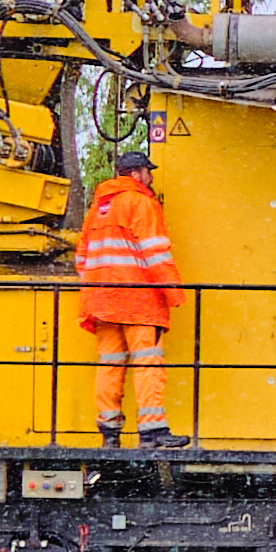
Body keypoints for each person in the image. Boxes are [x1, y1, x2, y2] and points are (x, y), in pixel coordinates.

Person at [73, 146, 183, 449]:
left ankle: (110, 434)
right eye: (148, 172)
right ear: (136, 174)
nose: (150, 178)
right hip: (137, 302)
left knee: (110, 363)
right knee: (148, 363)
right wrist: (173, 292)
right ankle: (152, 432)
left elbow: (82, 259)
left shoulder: (99, 208)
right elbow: (155, 252)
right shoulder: (141, 203)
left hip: (102, 302)